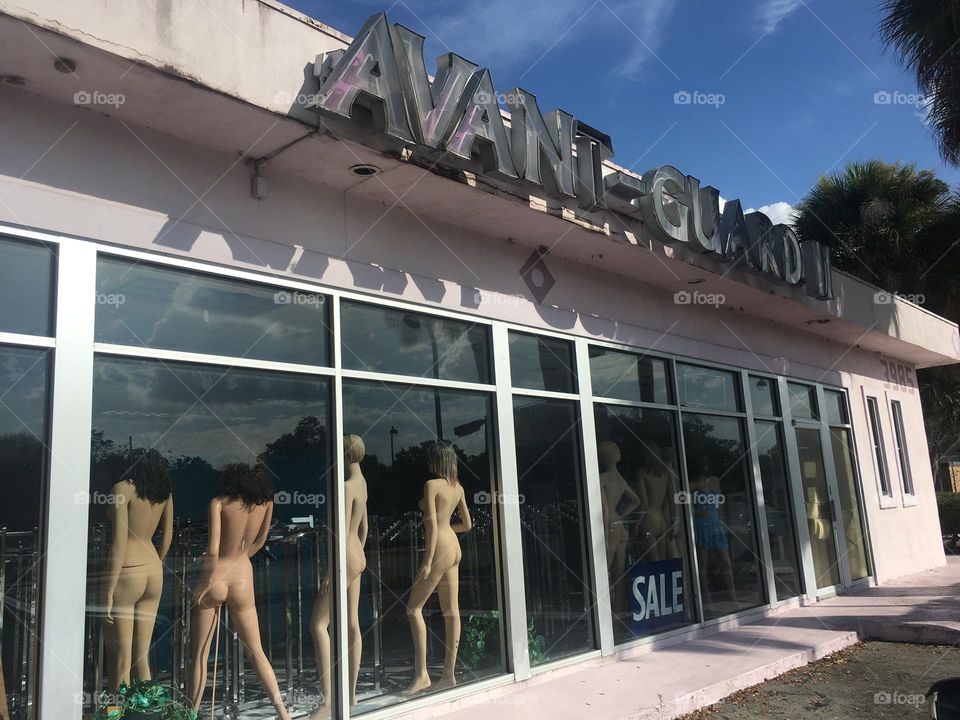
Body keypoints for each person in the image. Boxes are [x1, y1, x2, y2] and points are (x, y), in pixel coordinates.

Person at [189, 462, 290, 720]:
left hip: (218, 573)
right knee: (256, 650)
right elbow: (261, 540)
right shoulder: (265, 503)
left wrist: (205, 582)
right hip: (243, 574)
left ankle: (190, 714)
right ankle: (283, 713)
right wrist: (243, 557)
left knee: (200, 655)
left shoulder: (219, 503)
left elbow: (212, 550)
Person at [403, 441, 472, 696]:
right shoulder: (458, 488)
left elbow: (432, 526)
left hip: (440, 547)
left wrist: (428, 560)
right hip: (453, 546)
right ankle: (448, 674)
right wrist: (449, 532)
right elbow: (467, 524)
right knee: (451, 611)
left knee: (413, 608)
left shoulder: (431, 485)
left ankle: (422, 675)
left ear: (435, 461)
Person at [103, 448, 173, 689]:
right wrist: (157, 562)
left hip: (128, 570)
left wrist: (108, 589)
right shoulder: (163, 493)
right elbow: (167, 537)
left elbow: (119, 543)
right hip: (153, 569)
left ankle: (117, 713)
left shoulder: (121, 489)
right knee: (141, 658)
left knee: (121, 658)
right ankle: (147, 711)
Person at [310, 434, 368, 717]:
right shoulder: (363, 483)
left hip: (346, 555)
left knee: (319, 625)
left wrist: (333, 571)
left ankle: (328, 700)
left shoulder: (346, 487)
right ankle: (352, 694)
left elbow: (341, 533)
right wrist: (358, 558)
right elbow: (363, 529)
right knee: (352, 623)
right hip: (359, 553)